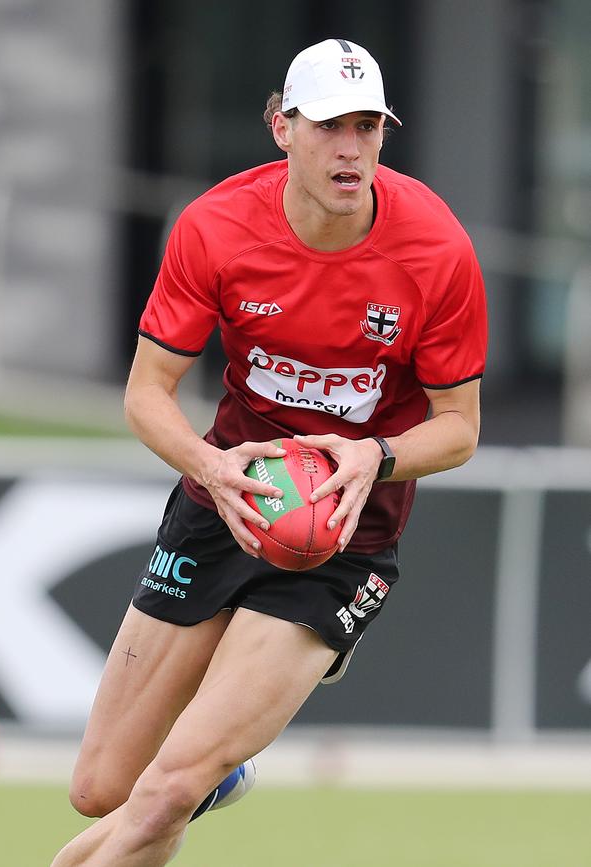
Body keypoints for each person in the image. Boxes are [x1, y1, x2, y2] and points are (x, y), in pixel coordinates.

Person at [51, 37, 487, 866]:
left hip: (341, 537)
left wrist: (376, 457)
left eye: (368, 125)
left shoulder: (437, 249)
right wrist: (210, 468)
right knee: (105, 788)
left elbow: (459, 427)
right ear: (281, 127)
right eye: (329, 125)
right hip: (223, 496)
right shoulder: (216, 227)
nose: (350, 147)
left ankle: (200, 769)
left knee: (164, 792)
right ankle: (223, 768)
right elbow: (147, 394)